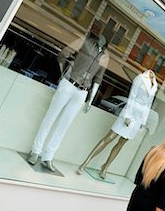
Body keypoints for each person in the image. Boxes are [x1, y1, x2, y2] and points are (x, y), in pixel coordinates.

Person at [27, 34, 109, 171]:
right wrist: (63, 74)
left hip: (82, 92)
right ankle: (35, 151)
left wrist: (90, 99)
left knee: (64, 126)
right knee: (50, 117)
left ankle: (48, 156)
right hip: (68, 84)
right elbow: (63, 54)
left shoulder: (106, 57)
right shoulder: (86, 42)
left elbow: (98, 78)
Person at [77, 70, 157, 178]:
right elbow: (132, 96)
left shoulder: (154, 84)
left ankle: (105, 167)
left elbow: (148, 104)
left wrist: (142, 121)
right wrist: (128, 115)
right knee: (110, 137)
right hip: (130, 112)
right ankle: (85, 162)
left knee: (121, 143)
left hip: (138, 118)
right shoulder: (140, 78)